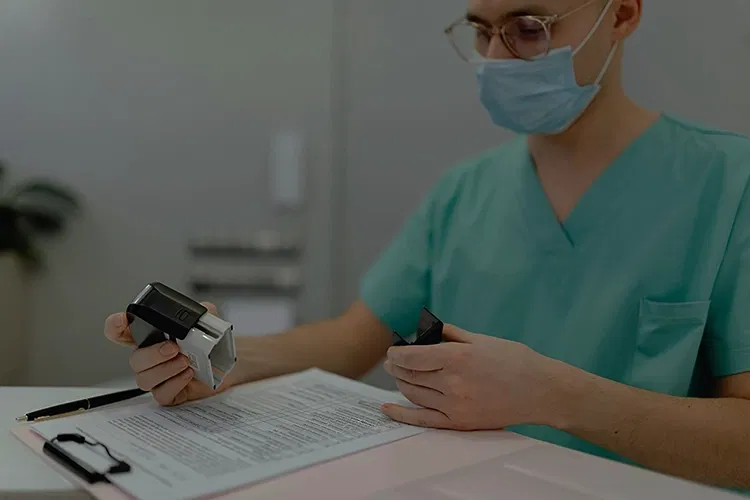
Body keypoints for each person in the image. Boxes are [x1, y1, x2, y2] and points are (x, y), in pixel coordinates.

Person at [105, 0, 750, 490]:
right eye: (481, 30)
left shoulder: (728, 186)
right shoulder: (464, 195)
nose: (498, 60)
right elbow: (349, 340)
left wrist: (552, 394)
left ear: (624, 14)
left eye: (528, 28)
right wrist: (220, 361)